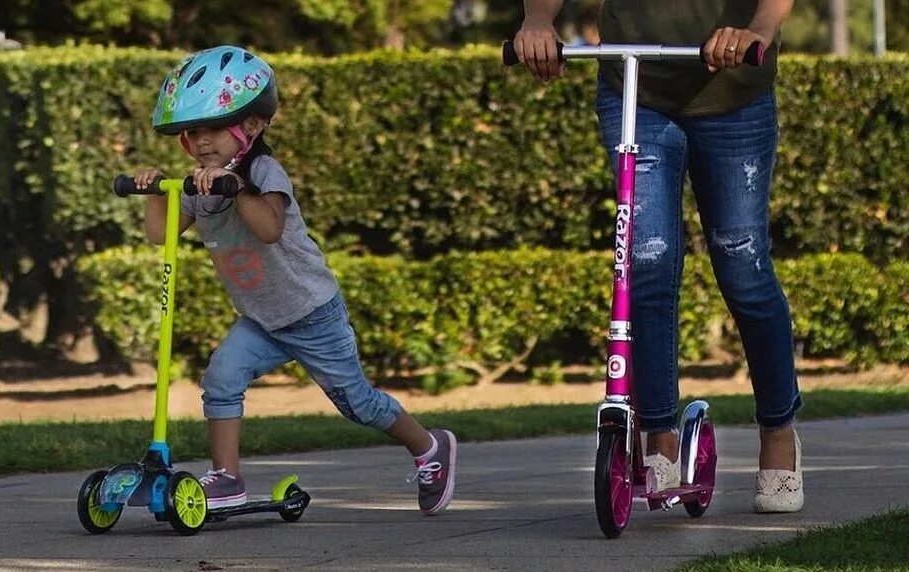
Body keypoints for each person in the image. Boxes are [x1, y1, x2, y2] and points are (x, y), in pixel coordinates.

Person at [133, 45, 457, 515]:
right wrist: (155, 190)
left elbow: (268, 228)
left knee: (358, 403)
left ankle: (430, 447)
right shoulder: (198, 185)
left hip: (312, 313)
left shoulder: (264, 171)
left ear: (251, 125)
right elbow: (158, 236)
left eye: (212, 129)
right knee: (221, 376)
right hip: (262, 318)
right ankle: (226, 478)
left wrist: (237, 185)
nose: (202, 142)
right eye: (192, 132)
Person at [513, 1, 803, 513]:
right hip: (637, 89)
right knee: (644, 262)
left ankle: (778, 431)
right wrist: (537, 21)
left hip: (736, 87)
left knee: (744, 268)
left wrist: (757, 30)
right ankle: (658, 435)